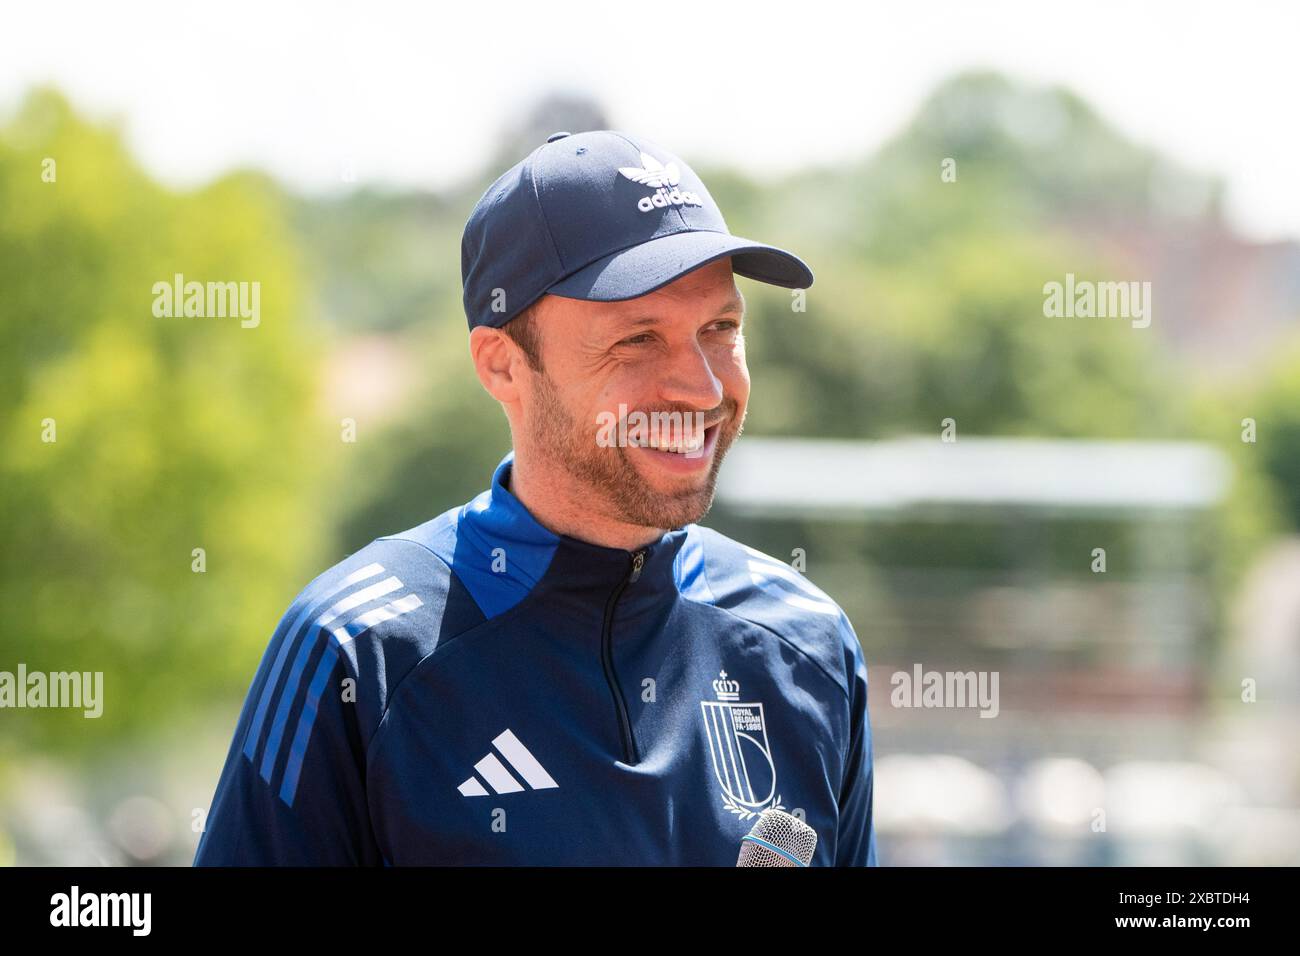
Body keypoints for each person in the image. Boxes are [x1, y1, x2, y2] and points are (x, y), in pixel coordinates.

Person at [194, 130, 877, 865]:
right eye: (637, 339)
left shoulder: (810, 644)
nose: (704, 389)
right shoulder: (356, 652)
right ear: (502, 365)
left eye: (720, 328)